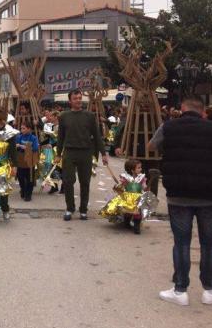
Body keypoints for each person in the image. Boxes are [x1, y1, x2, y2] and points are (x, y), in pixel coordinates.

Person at [148, 97, 212, 306]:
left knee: (181, 243)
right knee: (209, 243)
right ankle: (210, 290)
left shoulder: (169, 127)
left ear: (182, 110)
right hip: (209, 194)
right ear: (202, 112)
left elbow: (151, 146)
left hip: (179, 192)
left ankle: (180, 290)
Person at [56, 89, 108, 221]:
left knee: (85, 182)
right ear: (70, 101)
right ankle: (69, 208)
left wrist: (103, 154)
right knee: (68, 181)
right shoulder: (63, 116)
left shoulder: (89, 116)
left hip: (85, 152)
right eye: (75, 98)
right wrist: (58, 154)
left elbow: (97, 136)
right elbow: (60, 137)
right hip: (69, 152)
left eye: (80, 98)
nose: (78, 100)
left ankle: (83, 210)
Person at [99, 158, 148, 234]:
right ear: (132, 170)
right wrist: (119, 186)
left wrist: (146, 188)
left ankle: (136, 227)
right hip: (127, 197)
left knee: (137, 212)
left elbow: (144, 186)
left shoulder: (141, 177)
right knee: (127, 211)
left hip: (138, 197)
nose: (140, 169)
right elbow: (122, 186)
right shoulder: (126, 177)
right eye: (138, 168)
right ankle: (127, 223)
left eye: (140, 167)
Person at [16, 120, 39, 202]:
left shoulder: (33, 138)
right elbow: (16, 146)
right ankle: (23, 189)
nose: (22, 130)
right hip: (21, 161)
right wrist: (18, 146)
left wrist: (25, 147)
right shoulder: (19, 137)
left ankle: (28, 194)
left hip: (30, 161)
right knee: (20, 177)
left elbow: (35, 148)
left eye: (24, 128)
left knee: (30, 179)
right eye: (21, 128)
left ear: (29, 129)